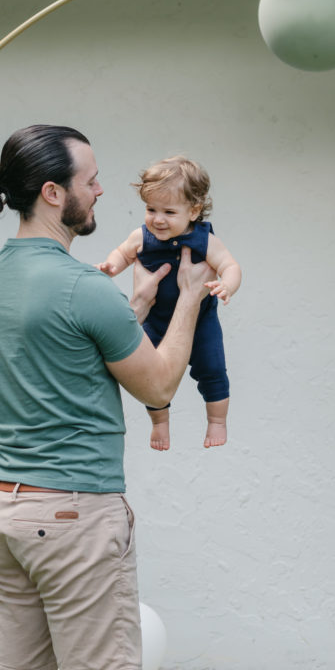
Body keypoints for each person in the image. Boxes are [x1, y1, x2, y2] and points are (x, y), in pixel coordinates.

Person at [0, 125, 214, 670]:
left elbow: (65, 359)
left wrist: (130, 309)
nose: (103, 189)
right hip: (72, 517)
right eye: (91, 180)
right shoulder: (83, 288)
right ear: (54, 193)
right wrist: (186, 298)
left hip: (3, 510)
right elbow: (159, 382)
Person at [97, 155, 241, 451]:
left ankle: (216, 421)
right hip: (154, 319)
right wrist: (111, 266)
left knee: (213, 369)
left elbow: (231, 266)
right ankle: (160, 425)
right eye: (151, 209)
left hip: (201, 321)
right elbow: (123, 253)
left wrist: (227, 285)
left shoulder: (204, 239)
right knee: (149, 374)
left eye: (169, 211)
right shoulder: (143, 236)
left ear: (194, 210)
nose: (157, 219)